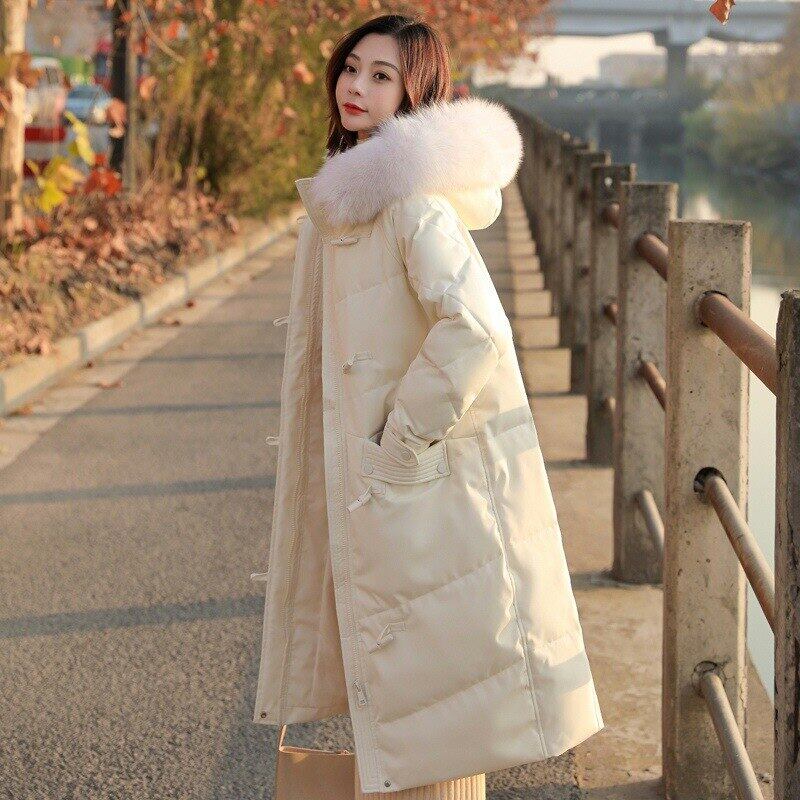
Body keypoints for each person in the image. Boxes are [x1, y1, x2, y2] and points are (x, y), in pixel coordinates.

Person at [251, 13, 605, 798]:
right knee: (417, 698)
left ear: (415, 96)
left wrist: (401, 439)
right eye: (351, 68)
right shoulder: (353, 200)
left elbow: (476, 328)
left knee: (429, 708)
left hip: (417, 482)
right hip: (389, 480)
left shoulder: (410, 204)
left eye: (382, 76)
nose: (356, 86)